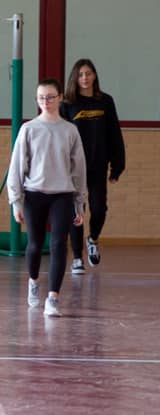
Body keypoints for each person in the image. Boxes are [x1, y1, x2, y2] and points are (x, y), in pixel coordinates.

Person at [7, 78, 87, 317]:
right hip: (34, 195)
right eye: (41, 97)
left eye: (51, 97)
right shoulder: (29, 129)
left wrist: (80, 203)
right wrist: (16, 200)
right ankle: (33, 282)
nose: (46, 101)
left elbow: (79, 169)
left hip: (62, 195)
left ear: (60, 97)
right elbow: (17, 166)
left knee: (58, 244)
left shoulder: (70, 130)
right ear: (37, 100)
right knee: (34, 244)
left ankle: (53, 297)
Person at [60, 58, 125, 274]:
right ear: (75, 78)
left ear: (94, 75)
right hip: (74, 169)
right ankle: (77, 258)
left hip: (98, 165)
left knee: (99, 209)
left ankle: (93, 239)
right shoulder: (67, 105)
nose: (85, 78)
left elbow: (115, 134)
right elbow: (58, 137)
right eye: (80, 74)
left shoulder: (105, 101)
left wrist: (118, 165)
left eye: (88, 73)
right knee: (76, 212)